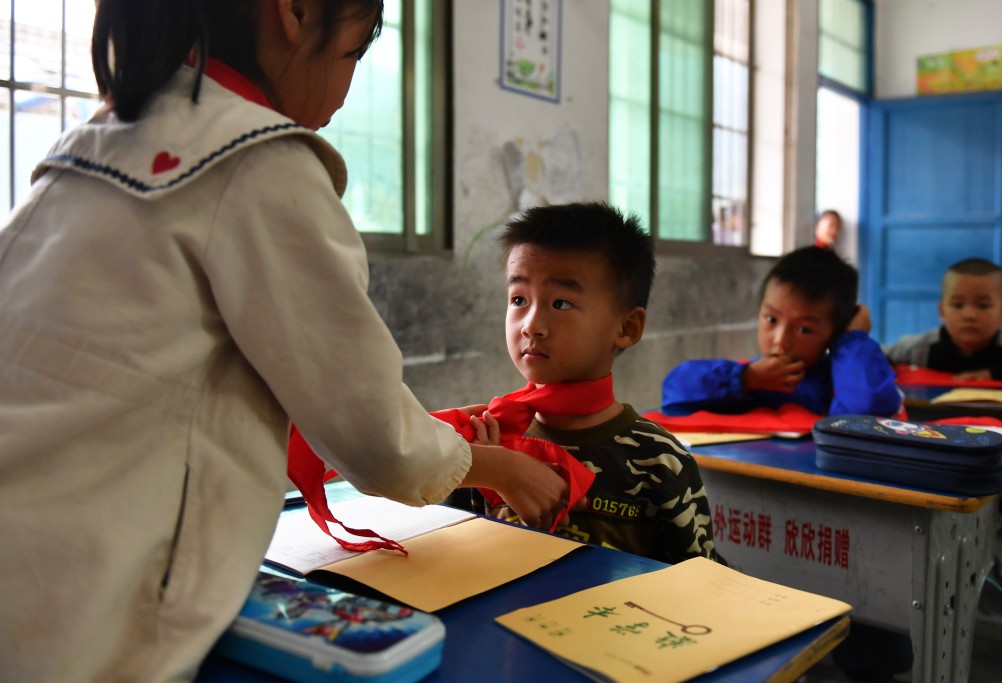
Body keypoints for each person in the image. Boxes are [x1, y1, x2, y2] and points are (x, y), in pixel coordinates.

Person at [0, 1, 568, 680]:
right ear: (296, 12)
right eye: (353, 54)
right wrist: (495, 465)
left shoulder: (83, 151)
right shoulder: (258, 164)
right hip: (81, 621)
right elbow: (377, 432)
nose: (346, 87)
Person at [447, 202, 721, 565]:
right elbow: (452, 559)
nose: (531, 325)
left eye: (560, 303)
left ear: (627, 328)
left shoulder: (660, 460)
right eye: (518, 299)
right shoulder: (485, 440)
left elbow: (699, 585)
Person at [661, 245, 902, 417]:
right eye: (771, 319)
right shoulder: (750, 380)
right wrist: (744, 378)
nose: (780, 341)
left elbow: (865, 416)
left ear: (836, 332)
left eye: (803, 329)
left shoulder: (839, 383)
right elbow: (674, 392)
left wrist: (852, 339)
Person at [885, 258, 1002, 382]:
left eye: (983, 306)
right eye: (958, 305)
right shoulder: (919, 350)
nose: (969, 315)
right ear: (942, 311)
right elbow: (877, 356)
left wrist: (992, 374)